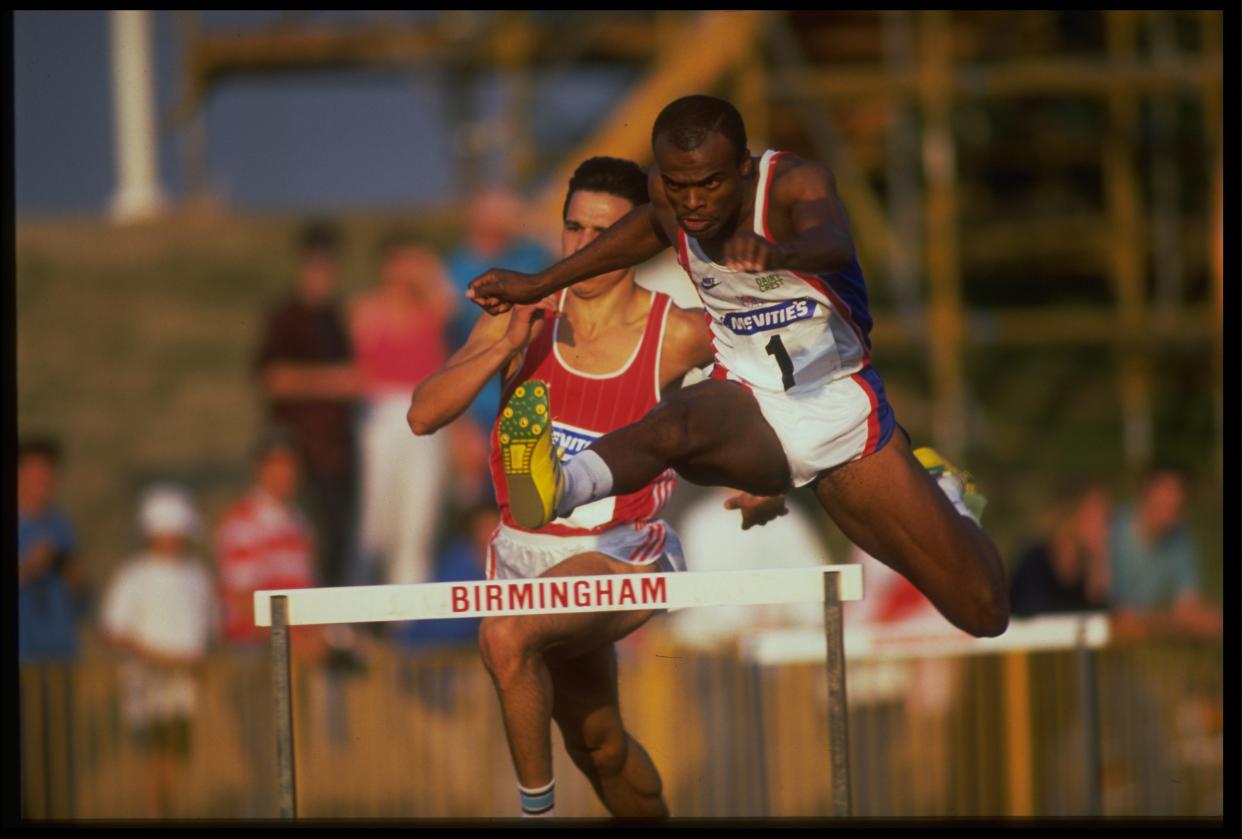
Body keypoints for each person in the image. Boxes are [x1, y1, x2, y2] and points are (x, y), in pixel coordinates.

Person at [468, 94, 1010, 639]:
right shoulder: (668, 199)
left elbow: (834, 242)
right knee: (676, 422)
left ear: (743, 168)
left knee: (983, 612)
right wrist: (538, 283)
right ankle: (560, 484)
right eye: (678, 186)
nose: (693, 202)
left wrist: (783, 255)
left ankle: (943, 494)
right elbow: (640, 231)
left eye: (710, 184)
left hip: (841, 416)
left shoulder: (795, 184)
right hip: (749, 400)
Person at [410, 156, 768, 818]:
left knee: (506, 636)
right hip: (524, 552)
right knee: (597, 743)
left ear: (636, 239)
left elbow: (767, 400)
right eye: (572, 228)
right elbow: (423, 413)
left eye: (601, 231)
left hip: (620, 547)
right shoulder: (527, 312)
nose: (582, 245)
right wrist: (501, 345)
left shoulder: (677, 331)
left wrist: (767, 482)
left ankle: (534, 815)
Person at [100, 484, 217, 818]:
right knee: (151, 759)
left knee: (176, 759)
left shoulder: (197, 575)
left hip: (185, 688)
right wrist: (161, 658)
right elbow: (113, 631)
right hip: (146, 684)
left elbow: (210, 626)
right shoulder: (134, 575)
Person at [255, 220, 360, 588]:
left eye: (330, 263)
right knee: (308, 541)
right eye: (317, 263)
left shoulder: (336, 317)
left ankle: (333, 631)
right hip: (301, 449)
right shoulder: (286, 316)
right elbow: (273, 378)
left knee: (339, 541)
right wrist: (335, 382)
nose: (324, 272)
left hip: (338, 449)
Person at [350, 235, 455, 586]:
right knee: (376, 514)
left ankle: (408, 617)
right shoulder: (367, 310)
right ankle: (362, 603)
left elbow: (450, 298)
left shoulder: (431, 310)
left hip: (426, 416)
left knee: (419, 513)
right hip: (381, 416)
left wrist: (425, 265)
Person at [444, 188, 555, 429]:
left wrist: (531, 220)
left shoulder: (532, 255)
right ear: (474, 218)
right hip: (475, 405)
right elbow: (444, 348)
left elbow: (570, 246)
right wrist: (460, 427)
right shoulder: (453, 268)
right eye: (494, 213)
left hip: (528, 402)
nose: (503, 219)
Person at [215, 428, 325, 654]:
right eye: (276, 464)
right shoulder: (241, 521)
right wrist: (291, 640)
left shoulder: (299, 523)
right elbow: (240, 600)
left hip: (297, 650)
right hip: (255, 651)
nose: (284, 473)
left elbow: (306, 589)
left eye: (290, 465)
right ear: (259, 468)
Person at [1107, 465, 1221, 641]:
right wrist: (1172, 623)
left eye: (1175, 507)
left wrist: (1151, 623)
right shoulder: (1111, 530)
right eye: (1162, 504)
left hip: (1141, 629)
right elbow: (1115, 617)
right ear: (1144, 496)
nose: (1168, 512)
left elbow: (1192, 610)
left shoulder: (1182, 541)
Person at [18, 437, 87, 663]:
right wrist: (28, 567)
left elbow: (82, 602)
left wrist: (75, 578)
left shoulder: (62, 527)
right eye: (35, 474)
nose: (44, 480)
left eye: (48, 474)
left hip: (60, 658)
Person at [1009, 483, 1112, 617]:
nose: (1102, 527)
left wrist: (1098, 568)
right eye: (1094, 517)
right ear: (1071, 516)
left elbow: (1097, 623)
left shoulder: (1087, 566)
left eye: (1105, 518)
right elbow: (1033, 616)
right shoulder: (1035, 560)